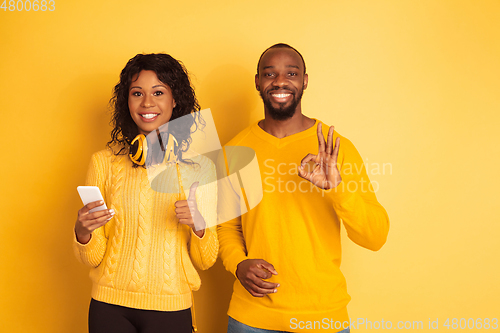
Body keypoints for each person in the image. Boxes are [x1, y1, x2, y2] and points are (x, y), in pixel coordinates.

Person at [217, 44, 390, 333]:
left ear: (304, 81)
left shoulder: (337, 149)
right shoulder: (233, 150)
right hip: (250, 319)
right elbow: (226, 227)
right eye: (270, 73)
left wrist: (337, 188)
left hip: (323, 318)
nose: (280, 81)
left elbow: (375, 237)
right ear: (258, 82)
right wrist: (238, 264)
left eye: (291, 73)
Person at [73, 53, 218, 333]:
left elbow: (206, 259)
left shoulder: (200, 168)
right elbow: (91, 258)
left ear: (175, 100)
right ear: (127, 101)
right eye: (137, 93)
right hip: (108, 306)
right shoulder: (103, 163)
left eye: (158, 92)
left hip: (171, 307)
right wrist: (83, 232)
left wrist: (198, 224)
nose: (147, 103)